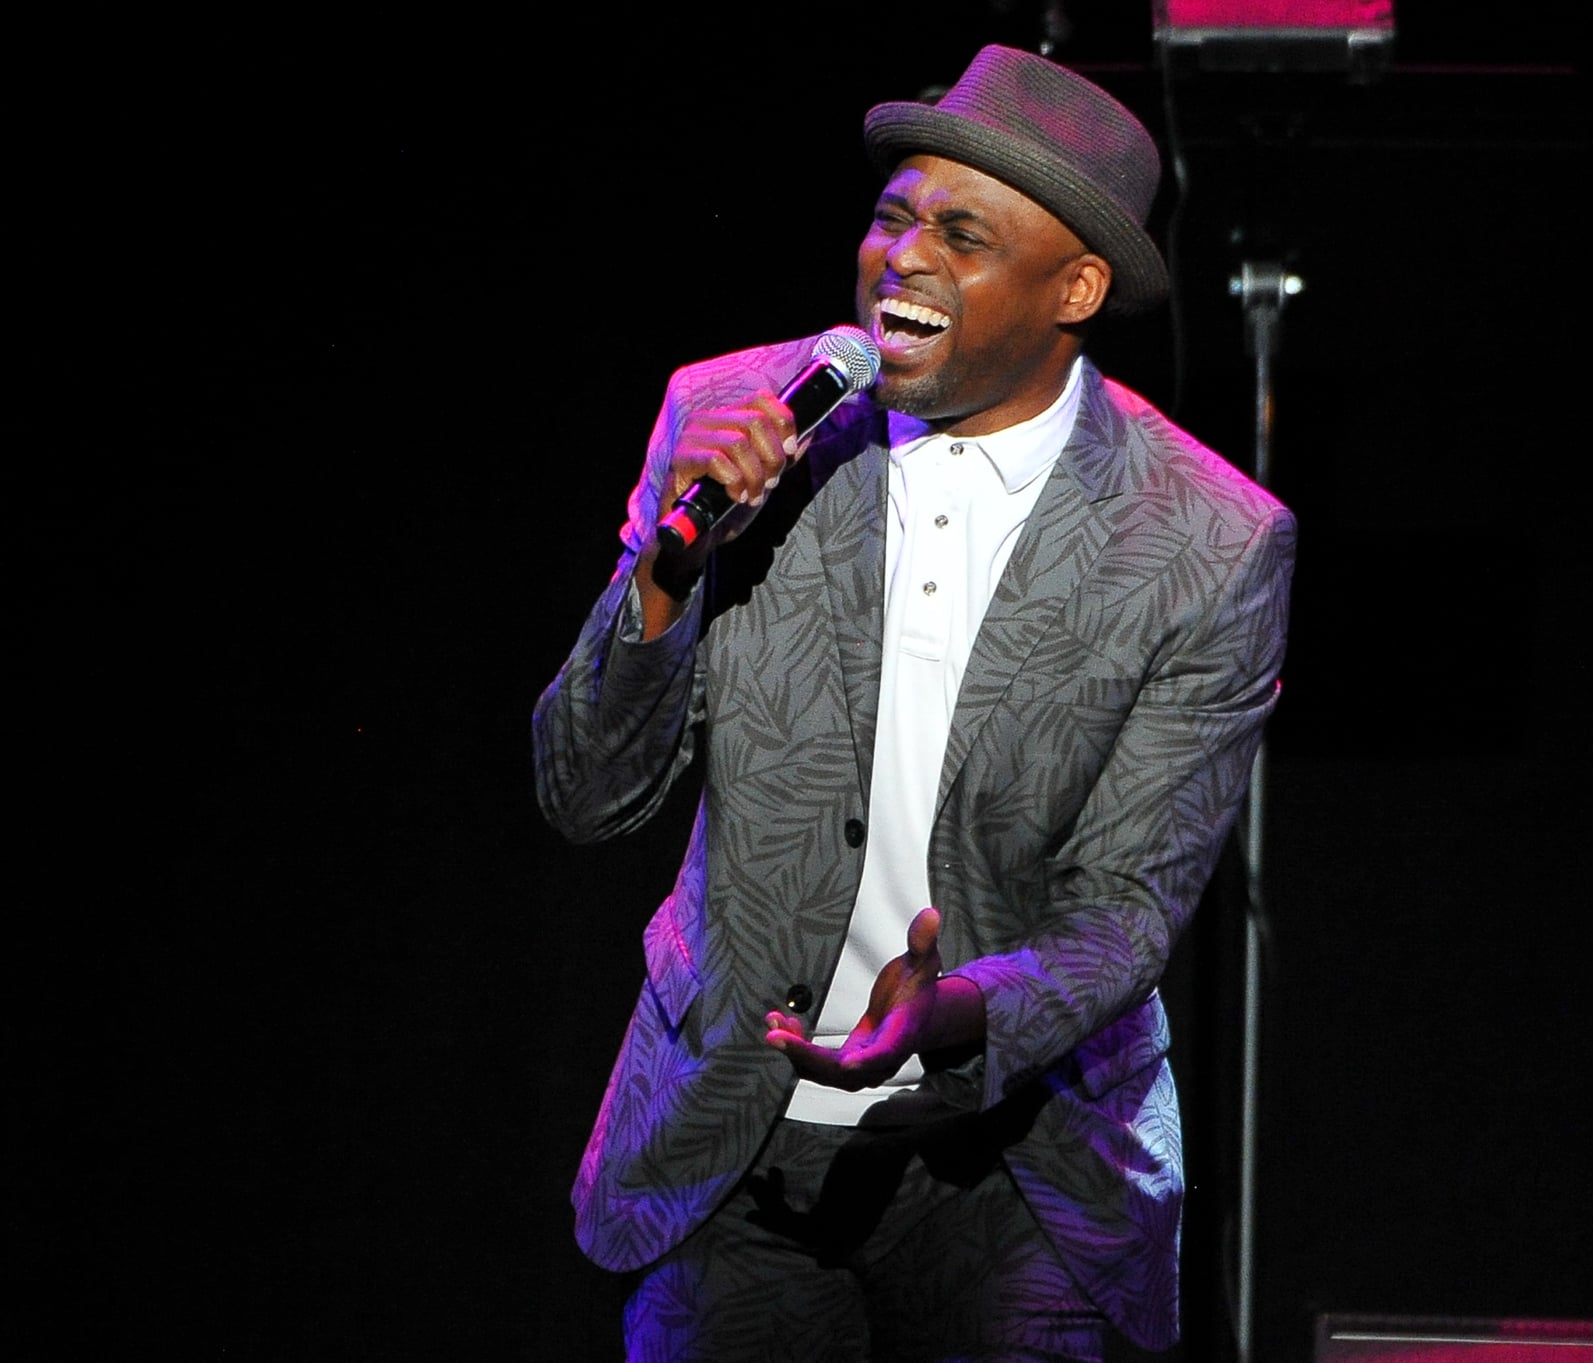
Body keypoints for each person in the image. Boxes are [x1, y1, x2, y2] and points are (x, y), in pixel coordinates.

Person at [533, 44, 1296, 1363]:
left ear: (1075, 287)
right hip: (733, 1150)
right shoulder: (733, 415)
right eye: (892, 217)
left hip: (1028, 1180)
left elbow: (1127, 913)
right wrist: (664, 577)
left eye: (961, 231)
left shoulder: (1206, 540)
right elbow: (585, 793)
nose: (905, 258)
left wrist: (956, 1016)